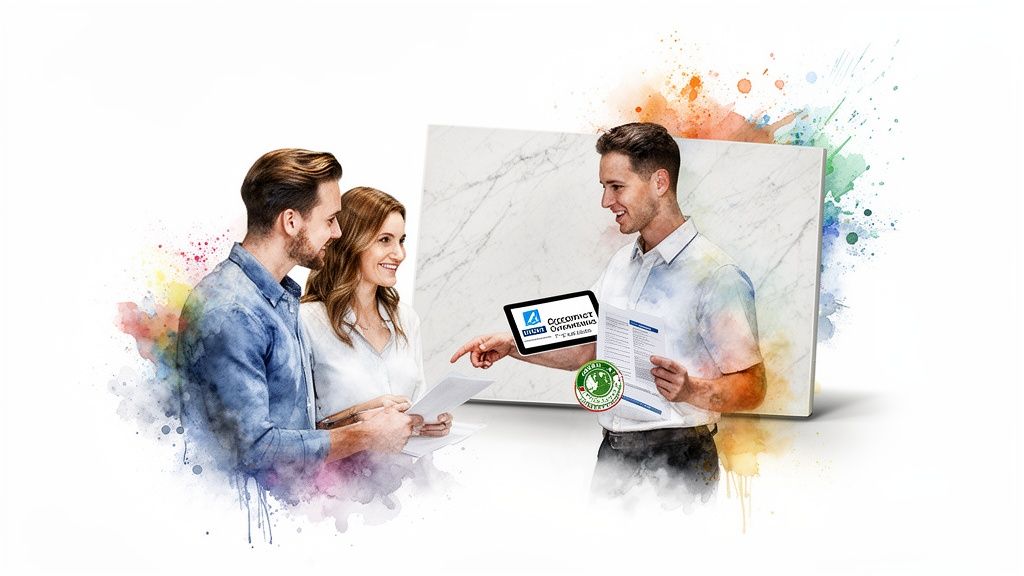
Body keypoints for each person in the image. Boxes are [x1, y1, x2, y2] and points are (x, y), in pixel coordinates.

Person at [450, 122, 766, 499]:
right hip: (613, 455)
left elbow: (753, 387)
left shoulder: (716, 275)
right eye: (604, 188)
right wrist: (511, 344)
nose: (606, 201)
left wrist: (691, 389)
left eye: (616, 187)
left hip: (681, 459)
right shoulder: (621, 264)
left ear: (659, 183)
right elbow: (588, 348)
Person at [176, 149, 422, 500]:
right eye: (330, 220)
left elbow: (291, 429)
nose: (338, 232)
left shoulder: (277, 299)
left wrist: (359, 417)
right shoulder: (232, 310)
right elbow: (251, 450)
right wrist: (364, 436)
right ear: (291, 222)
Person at [301, 186, 452, 438]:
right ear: (351, 242)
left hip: (409, 474)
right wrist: (361, 415)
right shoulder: (306, 320)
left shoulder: (406, 318)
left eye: (401, 241)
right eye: (385, 240)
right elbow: (296, 433)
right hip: (339, 476)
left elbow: (416, 403)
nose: (399, 254)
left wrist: (429, 421)